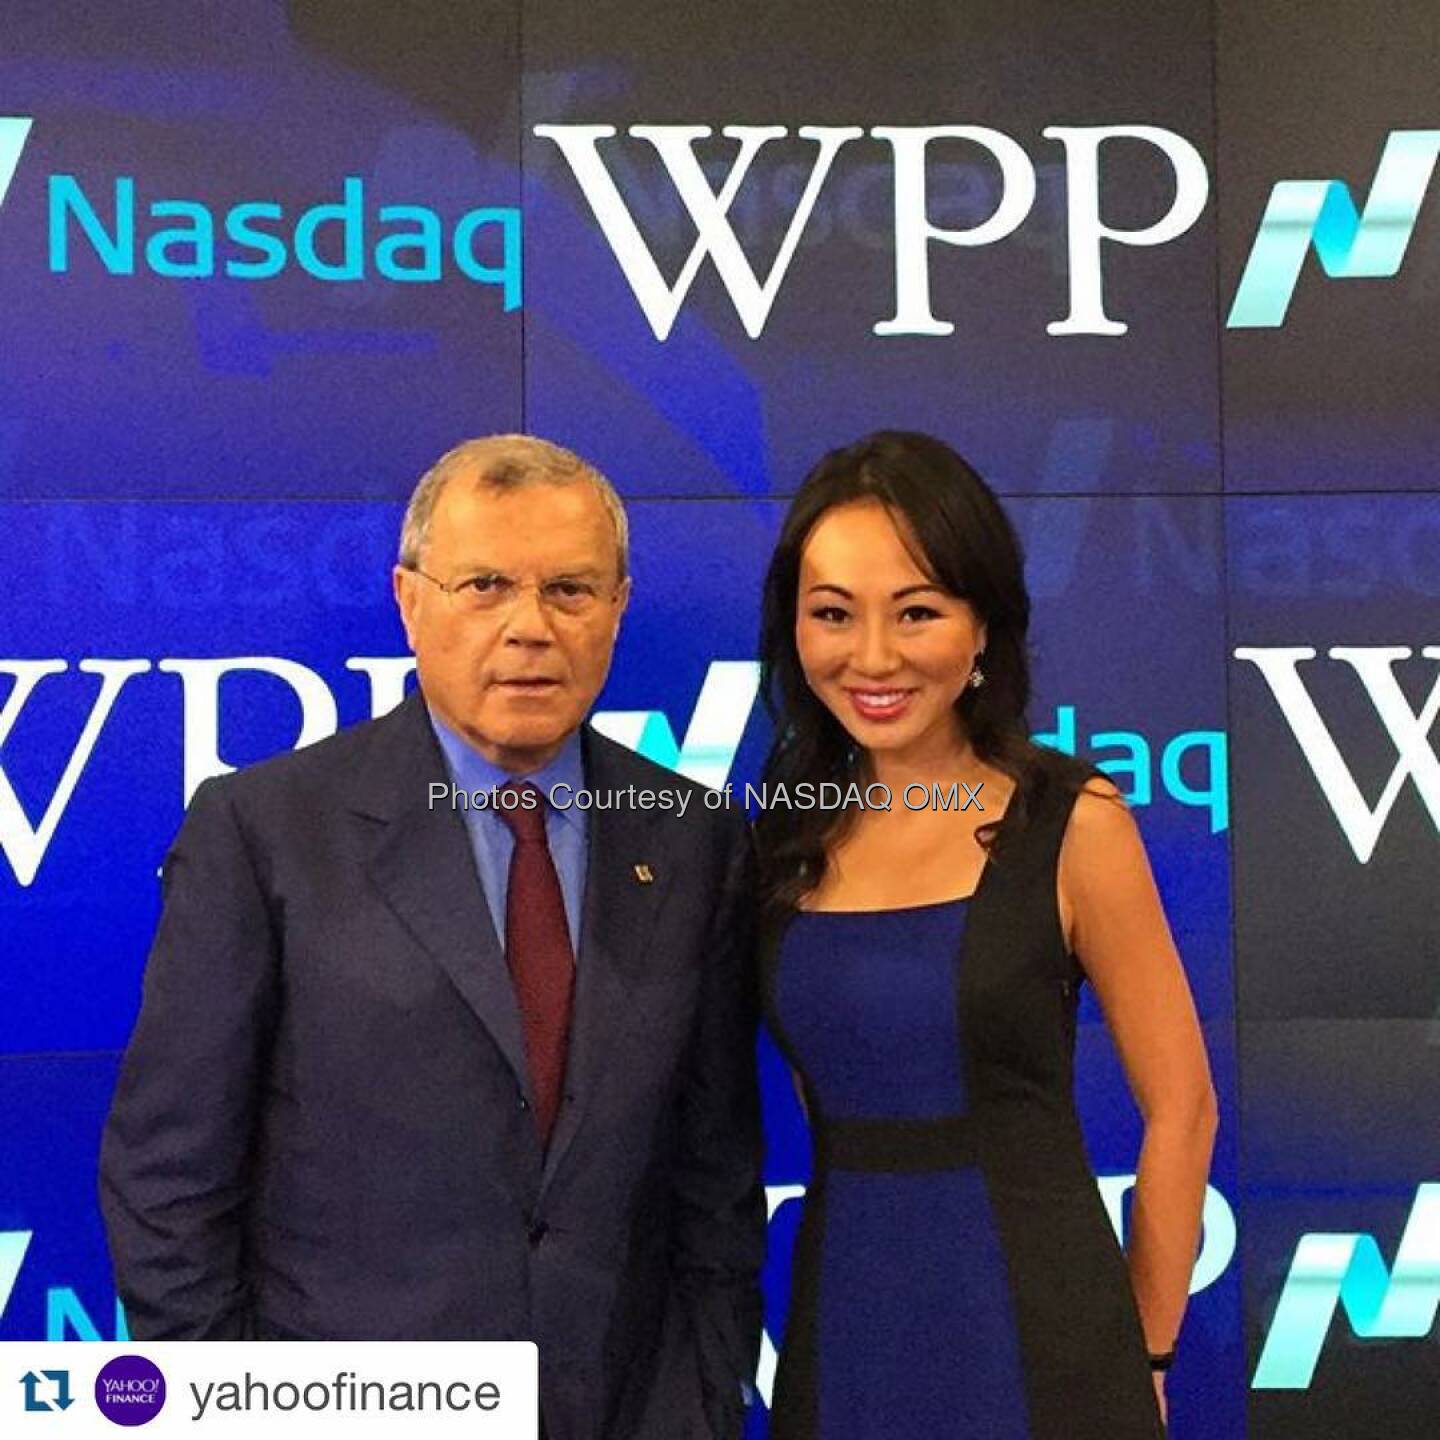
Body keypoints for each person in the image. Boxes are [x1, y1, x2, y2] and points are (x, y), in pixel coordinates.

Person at [100, 435, 766, 1440]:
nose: (530, 629)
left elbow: (714, 1173)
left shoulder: (692, 837)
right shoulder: (265, 832)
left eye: (571, 590)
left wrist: (706, 1400)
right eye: (486, 584)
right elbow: (168, 1184)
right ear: (411, 602)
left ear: (620, 608)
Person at [753, 431, 1217, 1439]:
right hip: (846, 1330)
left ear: (981, 629)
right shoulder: (782, 834)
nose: (871, 657)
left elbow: (1182, 1107)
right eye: (833, 614)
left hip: (1046, 1336)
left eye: (916, 612)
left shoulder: (1072, 820)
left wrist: (1145, 1349)